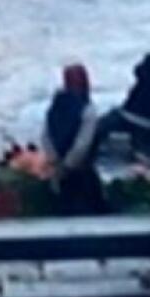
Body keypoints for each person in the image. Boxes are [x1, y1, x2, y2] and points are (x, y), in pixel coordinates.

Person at [41, 64, 105, 214]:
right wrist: (68, 165)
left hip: (58, 170)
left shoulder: (54, 107)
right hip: (81, 173)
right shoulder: (87, 108)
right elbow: (83, 143)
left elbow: (46, 137)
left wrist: (55, 162)